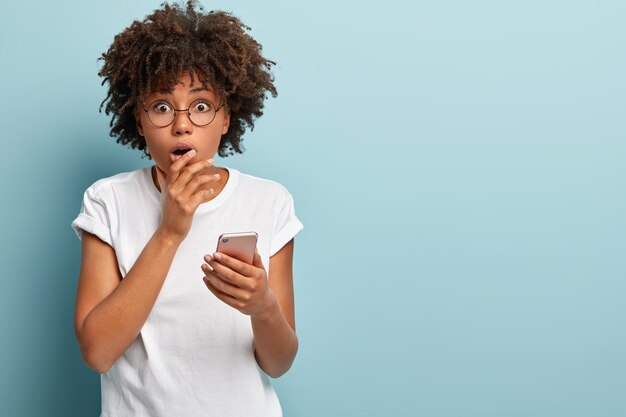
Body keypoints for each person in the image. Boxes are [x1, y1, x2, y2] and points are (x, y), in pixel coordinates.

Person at [70, 2, 303, 416]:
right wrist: (170, 231)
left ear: (226, 117)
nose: (181, 124)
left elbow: (279, 363)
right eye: (161, 106)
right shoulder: (107, 201)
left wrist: (263, 306)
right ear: (138, 121)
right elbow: (98, 352)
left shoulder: (270, 202)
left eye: (199, 106)